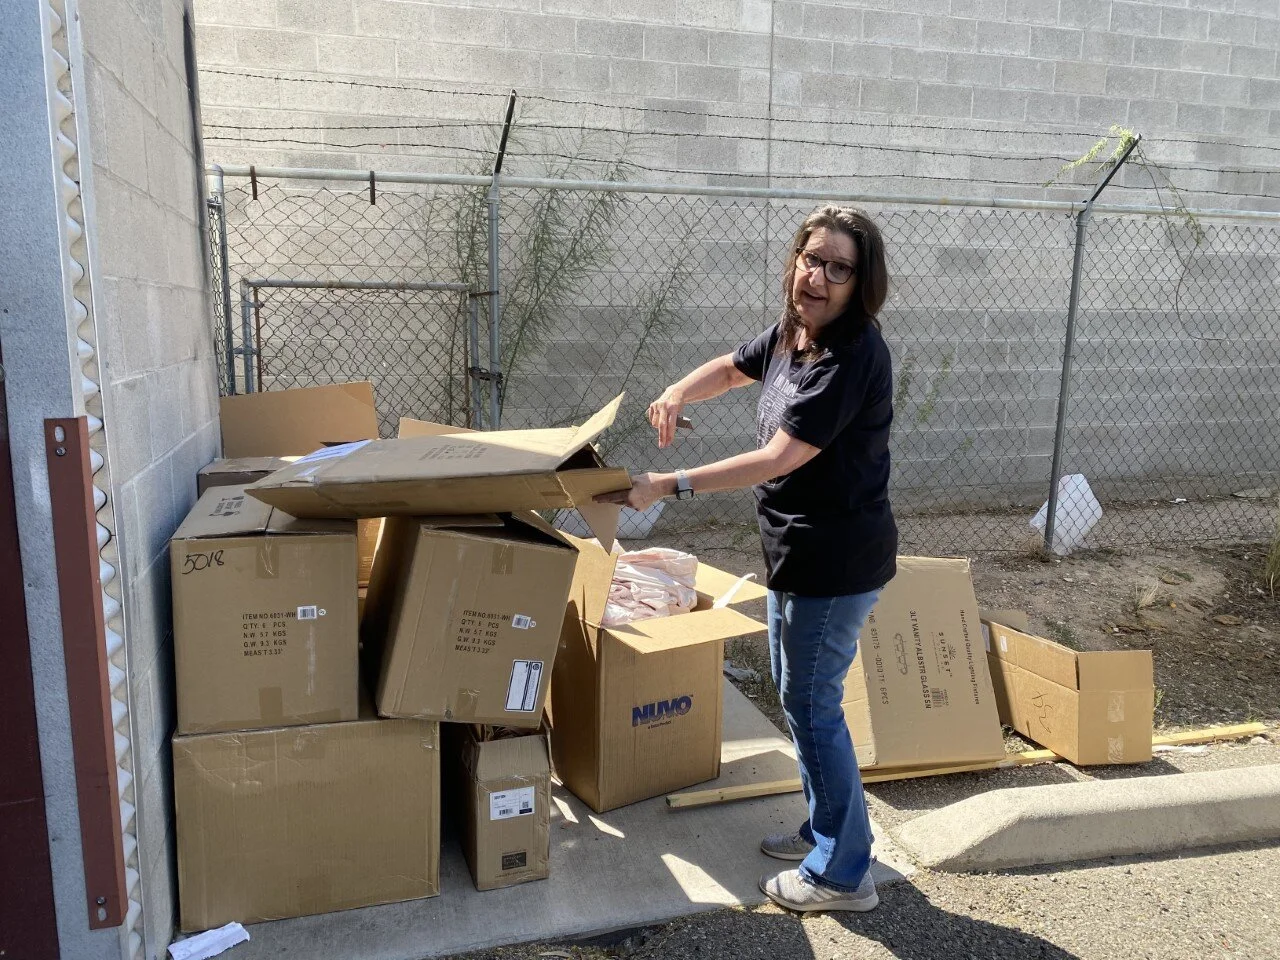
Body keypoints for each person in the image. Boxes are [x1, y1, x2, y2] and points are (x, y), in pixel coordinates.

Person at [595, 205, 897, 912]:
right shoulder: (796, 332)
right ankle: (827, 830)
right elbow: (733, 369)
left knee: (813, 706)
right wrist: (677, 391)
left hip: (836, 560)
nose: (818, 277)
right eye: (811, 259)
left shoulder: (851, 356)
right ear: (795, 260)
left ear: (861, 284)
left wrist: (667, 483)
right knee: (800, 699)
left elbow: (778, 457)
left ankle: (842, 873)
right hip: (796, 550)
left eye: (839, 268)